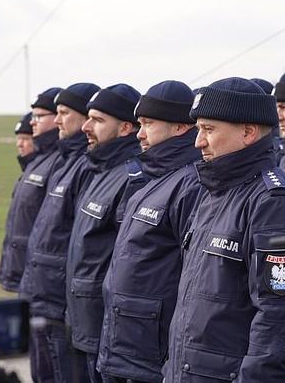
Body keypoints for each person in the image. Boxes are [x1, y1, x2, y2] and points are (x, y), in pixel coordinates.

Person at [162, 77, 285, 382]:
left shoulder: (275, 202)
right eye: (199, 129)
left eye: (209, 130)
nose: (198, 142)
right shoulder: (213, 193)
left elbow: (279, 317)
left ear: (248, 132)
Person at [97, 81, 201, 383]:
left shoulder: (189, 184)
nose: (140, 134)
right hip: (125, 341)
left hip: (150, 351)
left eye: (148, 124)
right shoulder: (155, 178)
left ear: (180, 127)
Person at [65, 84, 146, 383]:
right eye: (88, 118)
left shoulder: (133, 178)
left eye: (98, 120)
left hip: (107, 327)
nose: (86, 126)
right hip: (84, 320)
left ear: (126, 127)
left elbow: (128, 265)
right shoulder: (101, 171)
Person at [20, 83, 100, 383]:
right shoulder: (65, 161)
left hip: (60, 298)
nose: (56, 120)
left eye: (64, 113)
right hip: (44, 292)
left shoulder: (86, 166)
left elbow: (80, 242)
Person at [0, 87, 63, 293]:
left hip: (42, 274)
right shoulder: (38, 160)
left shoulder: (60, 161)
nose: (32, 121)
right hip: (25, 267)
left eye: (39, 116)